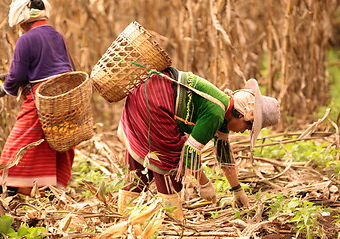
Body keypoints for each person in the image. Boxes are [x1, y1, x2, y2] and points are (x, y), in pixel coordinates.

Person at [117, 67, 280, 219]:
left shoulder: (224, 111)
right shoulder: (216, 114)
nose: (243, 131)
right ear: (242, 115)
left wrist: (237, 190)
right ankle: (174, 220)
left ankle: (122, 218)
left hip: (145, 94)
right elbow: (190, 151)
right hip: (155, 102)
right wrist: (204, 183)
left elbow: (223, 153)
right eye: (247, 127)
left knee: (139, 171)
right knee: (170, 163)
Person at [0, 0, 75, 196]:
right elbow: (59, 66)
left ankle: (8, 189)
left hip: (41, 100)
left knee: (19, 144)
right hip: (64, 99)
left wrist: (6, 88)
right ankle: (51, 193)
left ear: (22, 20)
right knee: (54, 145)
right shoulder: (57, 35)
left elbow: (19, 75)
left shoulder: (26, 39)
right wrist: (13, 77)